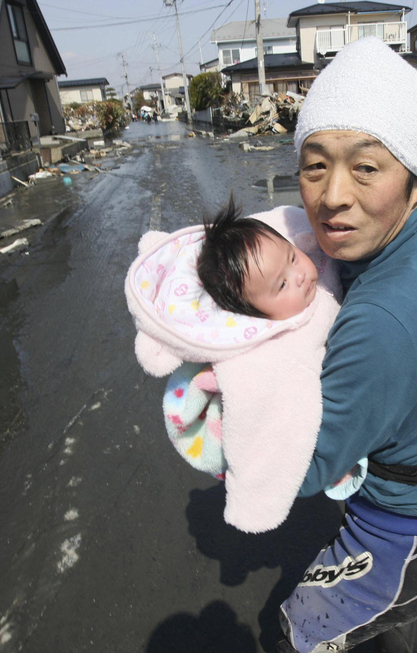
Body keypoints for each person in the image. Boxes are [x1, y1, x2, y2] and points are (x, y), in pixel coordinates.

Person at [276, 37, 417, 653]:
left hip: (405, 520)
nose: (331, 197)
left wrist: (221, 412)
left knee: (306, 630)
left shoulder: (381, 320)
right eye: (315, 164)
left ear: (415, 177)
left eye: (367, 167)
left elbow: (299, 471)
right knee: (398, 622)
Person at [124, 202, 364, 534]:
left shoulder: (302, 257)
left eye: (293, 258)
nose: (300, 276)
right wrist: (256, 502)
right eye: (281, 286)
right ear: (253, 313)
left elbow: (284, 225)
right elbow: (268, 429)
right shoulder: (276, 353)